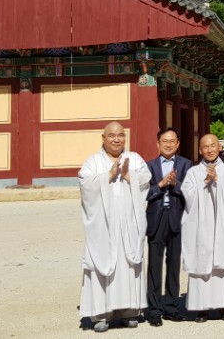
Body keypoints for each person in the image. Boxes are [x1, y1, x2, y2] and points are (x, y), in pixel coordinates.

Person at [78, 122, 151, 333]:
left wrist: (130, 177)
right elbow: (84, 183)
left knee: (128, 265)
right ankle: (102, 314)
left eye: (120, 135)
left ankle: (128, 312)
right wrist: (107, 177)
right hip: (103, 227)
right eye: (111, 135)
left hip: (128, 224)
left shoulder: (134, 159)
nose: (116, 139)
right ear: (103, 138)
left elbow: (146, 178)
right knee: (103, 265)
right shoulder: (93, 162)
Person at [181, 134, 224, 322]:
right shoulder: (192, 172)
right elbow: (187, 195)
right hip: (201, 226)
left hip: (223, 224)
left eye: (213, 146)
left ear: (220, 147)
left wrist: (218, 181)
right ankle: (202, 308)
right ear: (200, 150)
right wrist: (205, 181)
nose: (209, 149)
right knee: (202, 263)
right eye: (205, 147)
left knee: (223, 265)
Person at [144, 127, 191, 327]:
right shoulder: (148, 166)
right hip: (156, 218)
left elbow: (191, 190)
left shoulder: (187, 164)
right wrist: (162, 184)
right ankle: (154, 310)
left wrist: (176, 184)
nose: (169, 144)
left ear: (178, 144)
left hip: (177, 218)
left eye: (172, 141)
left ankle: (171, 307)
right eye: (165, 141)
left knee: (173, 266)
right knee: (154, 266)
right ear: (158, 144)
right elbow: (143, 193)